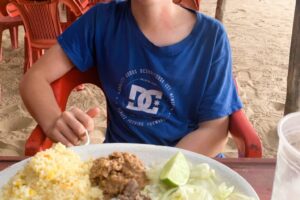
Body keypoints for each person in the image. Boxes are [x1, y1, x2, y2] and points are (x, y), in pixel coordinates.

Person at [19, 0, 242, 157]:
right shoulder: (100, 21)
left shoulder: (212, 37)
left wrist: (159, 171)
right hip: (119, 162)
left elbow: (215, 130)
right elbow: (34, 79)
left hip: (187, 164)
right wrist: (53, 121)